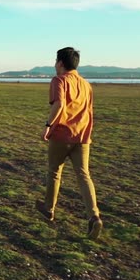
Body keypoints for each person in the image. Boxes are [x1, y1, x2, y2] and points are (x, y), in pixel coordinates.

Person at [36, 47, 103, 240]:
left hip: (62, 135)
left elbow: (59, 104)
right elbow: (89, 112)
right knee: (84, 175)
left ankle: (49, 209)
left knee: (54, 171)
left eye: (55, 61)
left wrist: (48, 126)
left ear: (60, 63)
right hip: (82, 136)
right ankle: (94, 216)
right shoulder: (86, 85)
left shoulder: (59, 80)